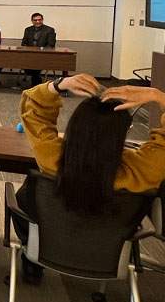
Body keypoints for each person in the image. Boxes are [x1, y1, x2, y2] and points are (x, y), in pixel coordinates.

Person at [10, 75, 165, 284]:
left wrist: (59, 85)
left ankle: (32, 260)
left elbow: (33, 108)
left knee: (26, 194)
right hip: (108, 253)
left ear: (74, 126)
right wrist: (158, 96)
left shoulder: (51, 157)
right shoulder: (144, 170)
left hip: (50, 245)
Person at [21, 13, 56, 86]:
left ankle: (35, 82)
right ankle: (37, 79)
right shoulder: (28, 30)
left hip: (43, 55)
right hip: (29, 55)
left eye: (39, 20)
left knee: (35, 64)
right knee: (23, 62)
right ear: (32, 21)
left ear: (42, 20)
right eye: (35, 20)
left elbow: (51, 44)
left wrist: (41, 51)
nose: (37, 22)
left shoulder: (49, 30)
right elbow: (24, 43)